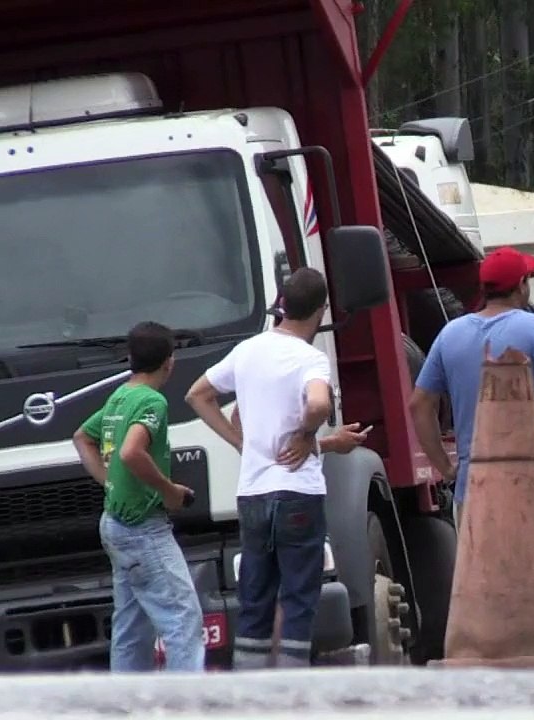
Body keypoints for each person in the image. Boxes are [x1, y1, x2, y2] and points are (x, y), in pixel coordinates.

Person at [185, 267, 368, 669]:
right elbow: (318, 404)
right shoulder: (310, 359)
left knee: (255, 598)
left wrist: (241, 443)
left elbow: (198, 395)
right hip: (298, 495)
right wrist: (306, 432)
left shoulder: (247, 350)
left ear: (280, 307)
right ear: (320, 311)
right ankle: (290, 693)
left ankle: (251, 695)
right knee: (299, 598)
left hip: (252, 494)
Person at [410, 246, 534, 528]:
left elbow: (419, 404)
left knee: (482, 573)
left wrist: (445, 467)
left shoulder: (450, 334)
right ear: (521, 286)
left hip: (474, 489)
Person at [72, 321, 204, 672]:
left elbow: (82, 436)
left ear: (130, 358)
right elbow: (132, 452)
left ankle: (126, 706)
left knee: (131, 624)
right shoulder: (152, 401)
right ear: (169, 362)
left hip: (113, 523)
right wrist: (170, 490)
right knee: (183, 619)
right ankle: (188, 707)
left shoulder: (120, 396)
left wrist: (109, 481)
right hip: (142, 527)